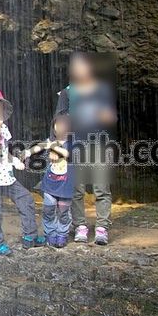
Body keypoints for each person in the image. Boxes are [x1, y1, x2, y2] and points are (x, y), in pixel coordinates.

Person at [55, 52, 117, 245]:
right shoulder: (66, 92)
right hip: (75, 145)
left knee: (101, 188)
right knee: (76, 189)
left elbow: (112, 118)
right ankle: (80, 226)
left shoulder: (103, 90)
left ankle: (102, 228)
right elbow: (58, 121)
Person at [0, 89, 40, 255]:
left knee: (26, 199)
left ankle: (30, 236)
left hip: (6, 175)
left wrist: (14, 160)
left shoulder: (3, 127)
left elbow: (3, 151)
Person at [23, 113, 74, 248]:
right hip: (50, 184)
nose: (61, 127)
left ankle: (62, 234)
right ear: (53, 127)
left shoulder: (73, 144)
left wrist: (54, 148)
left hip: (66, 185)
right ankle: (50, 233)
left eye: (64, 124)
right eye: (58, 124)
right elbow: (39, 146)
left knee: (63, 212)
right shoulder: (50, 141)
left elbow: (67, 154)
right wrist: (27, 152)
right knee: (48, 210)